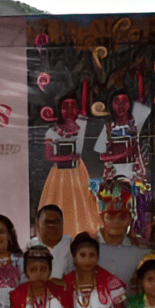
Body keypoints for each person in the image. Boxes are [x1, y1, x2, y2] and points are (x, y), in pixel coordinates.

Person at [38, 93, 101, 237]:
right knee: (59, 201)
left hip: (78, 171)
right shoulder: (52, 131)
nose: (69, 110)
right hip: (60, 173)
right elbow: (49, 156)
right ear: (60, 109)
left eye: (73, 106)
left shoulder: (82, 126)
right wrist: (68, 157)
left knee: (80, 202)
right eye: (65, 107)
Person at [95, 180, 150, 288]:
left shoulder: (142, 251)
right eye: (110, 216)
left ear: (130, 219)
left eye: (122, 216)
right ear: (101, 218)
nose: (116, 221)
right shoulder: (88, 248)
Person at [29, 204, 74, 281]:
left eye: (56, 222)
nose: (52, 226)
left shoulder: (72, 245)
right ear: (38, 225)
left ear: (62, 224)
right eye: (47, 222)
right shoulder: (30, 247)